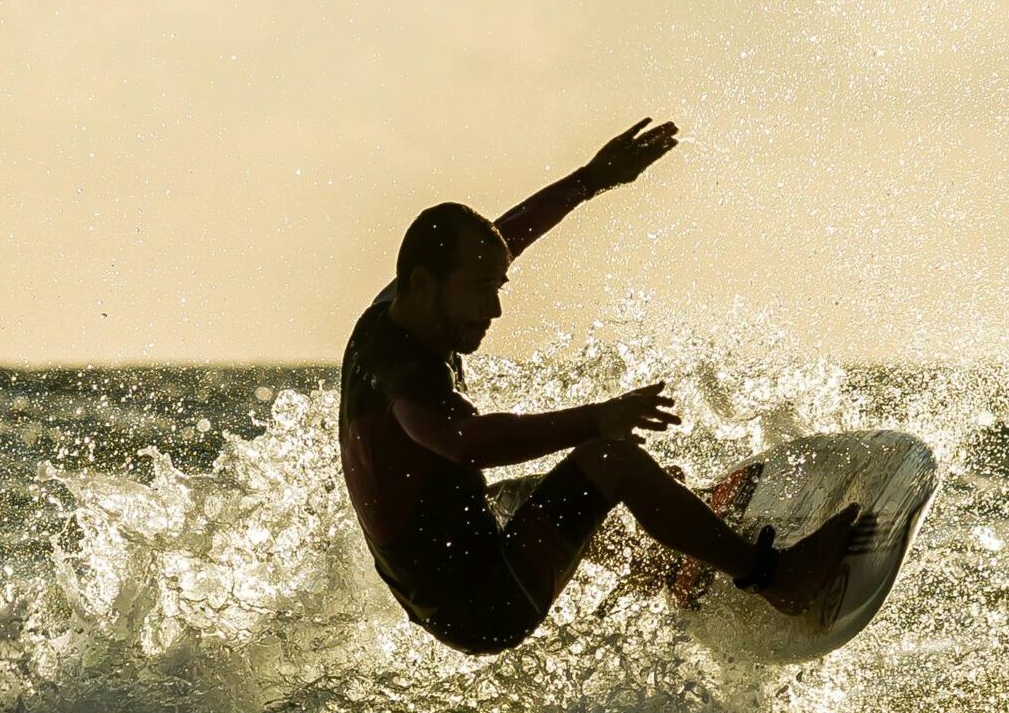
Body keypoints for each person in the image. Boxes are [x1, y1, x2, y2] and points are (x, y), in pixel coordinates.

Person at [339, 117, 858, 655]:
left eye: (497, 286)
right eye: (480, 290)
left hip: (441, 585)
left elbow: (506, 237)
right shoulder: (404, 375)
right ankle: (774, 577)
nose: (493, 308)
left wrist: (590, 180)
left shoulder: (393, 311)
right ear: (425, 285)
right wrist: (597, 419)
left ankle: (667, 562)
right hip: (483, 603)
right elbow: (467, 443)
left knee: (525, 495)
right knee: (612, 460)